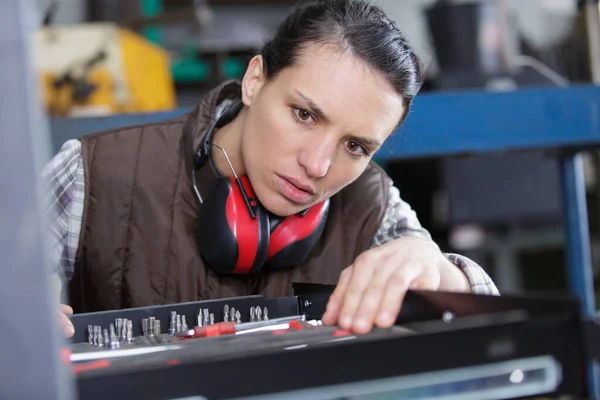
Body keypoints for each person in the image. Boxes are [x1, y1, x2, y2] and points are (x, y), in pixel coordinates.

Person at [44, 0, 498, 339]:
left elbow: (496, 327)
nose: (317, 165)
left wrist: (437, 269)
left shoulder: (370, 205)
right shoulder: (96, 172)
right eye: (304, 115)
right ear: (255, 80)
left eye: (355, 146)